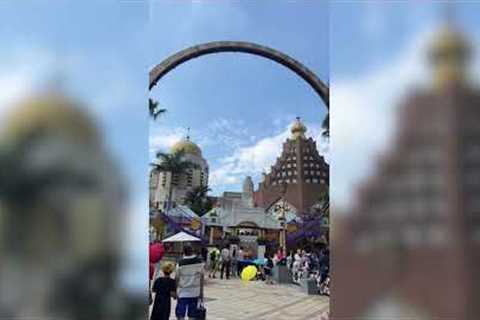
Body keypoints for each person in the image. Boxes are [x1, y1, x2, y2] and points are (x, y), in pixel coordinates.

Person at [175, 245, 204, 320]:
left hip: (182, 292)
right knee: (192, 314)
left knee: (180, 314)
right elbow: (202, 277)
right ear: (192, 251)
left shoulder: (180, 263)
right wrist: (201, 292)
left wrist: (176, 291)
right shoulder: (199, 261)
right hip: (195, 292)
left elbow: (177, 278)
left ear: (184, 252)